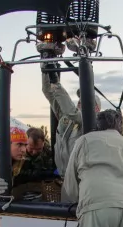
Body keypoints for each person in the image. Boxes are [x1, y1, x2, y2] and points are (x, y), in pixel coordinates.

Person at [42, 70, 101, 201]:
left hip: (83, 181)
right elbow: (49, 94)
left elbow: (72, 112)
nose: (80, 103)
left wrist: (57, 85)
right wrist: (47, 71)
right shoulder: (67, 120)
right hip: (64, 179)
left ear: (96, 109)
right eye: (79, 101)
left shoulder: (92, 122)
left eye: (85, 102)